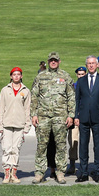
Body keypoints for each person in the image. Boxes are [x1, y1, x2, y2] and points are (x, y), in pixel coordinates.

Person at [30, 51, 75, 184]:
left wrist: (71, 115)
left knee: (60, 145)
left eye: (55, 60)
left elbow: (71, 97)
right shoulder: (41, 76)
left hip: (60, 117)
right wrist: (33, 114)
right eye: (51, 60)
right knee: (41, 145)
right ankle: (39, 172)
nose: (53, 62)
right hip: (43, 116)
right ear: (48, 61)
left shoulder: (65, 76)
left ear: (59, 61)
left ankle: (60, 172)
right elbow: (34, 96)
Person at [74, 55, 99, 183]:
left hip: (98, 118)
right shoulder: (82, 80)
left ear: (97, 65)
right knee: (83, 145)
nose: (91, 65)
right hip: (83, 117)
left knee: (98, 146)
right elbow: (77, 99)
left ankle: (98, 172)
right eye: (88, 63)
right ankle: (83, 172)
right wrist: (76, 116)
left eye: (93, 63)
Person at [0, 66, 31, 184]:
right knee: (7, 149)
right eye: (14, 74)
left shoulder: (25, 91)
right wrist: (0, 124)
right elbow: (1, 108)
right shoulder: (5, 90)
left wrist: (27, 125)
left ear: (21, 76)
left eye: (18, 74)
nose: (16, 76)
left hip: (19, 124)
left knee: (16, 149)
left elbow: (27, 109)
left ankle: (14, 173)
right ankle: (7, 173)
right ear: (11, 76)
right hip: (7, 124)